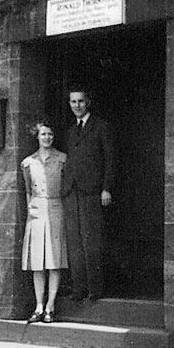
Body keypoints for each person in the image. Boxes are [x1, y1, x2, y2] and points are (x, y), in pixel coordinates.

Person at [62, 83, 114, 302]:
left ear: (88, 102)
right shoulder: (70, 131)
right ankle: (78, 289)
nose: (77, 105)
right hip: (71, 191)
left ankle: (94, 290)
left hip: (92, 191)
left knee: (91, 240)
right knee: (74, 241)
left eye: (81, 101)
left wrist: (106, 188)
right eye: (73, 101)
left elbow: (110, 160)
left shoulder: (101, 126)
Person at [21, 117, 68, 323]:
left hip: (56, 209)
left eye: (50, 134)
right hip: (37, 212)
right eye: (43, 134)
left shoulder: (63, 159)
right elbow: (27, 191)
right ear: (37, 137)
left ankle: (50, 307)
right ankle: (38, 306)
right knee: (37, 262)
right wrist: (31, 209)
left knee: (54, 261)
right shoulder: (28, 163)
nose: (47, 137)